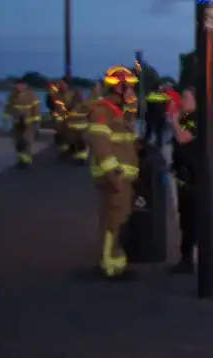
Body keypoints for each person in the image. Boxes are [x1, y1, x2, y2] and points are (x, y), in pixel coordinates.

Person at [85, 66, 141, 279]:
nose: (131, 91)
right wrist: (114, 175)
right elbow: (100, 145)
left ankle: (117, 262)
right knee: (113, 220)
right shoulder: (102, 111)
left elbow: (128, 133)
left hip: (122, 177)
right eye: (128, 87)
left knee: (120, 218)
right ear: (118, 86)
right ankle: (109, 266)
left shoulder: (120, 111)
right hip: (113, 177)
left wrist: (131, 105)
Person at [169, 87, 200, 274]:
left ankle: (189, 259)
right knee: (184, 217)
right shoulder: (186, 118)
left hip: (193, 177)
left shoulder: (197, 120)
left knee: (192, 218)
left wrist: (173, 118)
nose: (182, 101)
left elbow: (182, 138)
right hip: (182, 176)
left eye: (186, 98)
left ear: (196, 101)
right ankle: (185, 257)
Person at [3, 80, 41, 169]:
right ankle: (21, 158)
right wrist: (5, 116)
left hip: (29, 122)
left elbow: (36, 107)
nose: (18, 87)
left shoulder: (31, 94)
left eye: (21, 85)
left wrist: (36, 120)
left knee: (26, 140)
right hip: (17, 122)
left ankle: (27, 160)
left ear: (25, 85)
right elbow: (8, 106)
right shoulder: (12, 95)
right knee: (18, 141)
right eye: (17, 85)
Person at [65, 87, 90, 164]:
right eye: (77, 94)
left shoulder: (85, 104)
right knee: (77, 142)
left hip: (82, 127)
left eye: (80, 94)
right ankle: (78, 155)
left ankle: (82, 157)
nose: (79, 96)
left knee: (82, 142)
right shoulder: (71, 104)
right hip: (73, 127)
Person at [143, 82, 172, 149]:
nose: (162, 88)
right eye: (161, 86)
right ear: (158, 87)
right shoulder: (160, 95)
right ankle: (157, 145)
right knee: (155, 131)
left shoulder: (152, 94)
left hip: (153, 115)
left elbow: (147, 101)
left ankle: (148, 143)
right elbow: (168, 101)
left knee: (151, 131)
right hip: (156, 116)